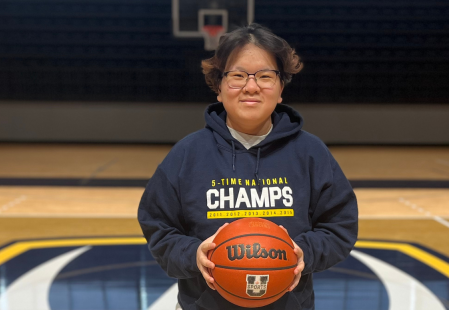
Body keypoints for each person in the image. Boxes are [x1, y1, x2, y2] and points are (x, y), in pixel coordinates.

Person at [138, 23, 358, 310]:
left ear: (281, 89)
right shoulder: (186, 154)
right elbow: (158, 226)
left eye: (265, 76)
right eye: (238, 76)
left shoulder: (311, 153)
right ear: (219, 87)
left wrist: (305, 252)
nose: (251, 86)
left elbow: (339, 226)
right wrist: (193, 254)